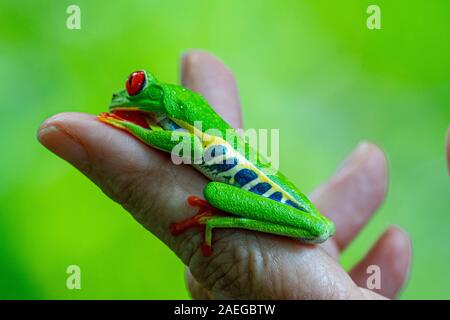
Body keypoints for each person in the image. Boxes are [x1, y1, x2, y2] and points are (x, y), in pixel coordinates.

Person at [39, 50, 441, 299]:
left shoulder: (176, 109)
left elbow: (188, 147)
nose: (129, 95)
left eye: (136, 85)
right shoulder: (175, 120)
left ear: (159, 94)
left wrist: (133, 129)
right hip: (269, 187)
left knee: (217, 192)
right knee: (299, 217)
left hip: (247, 182)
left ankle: (233, 217)